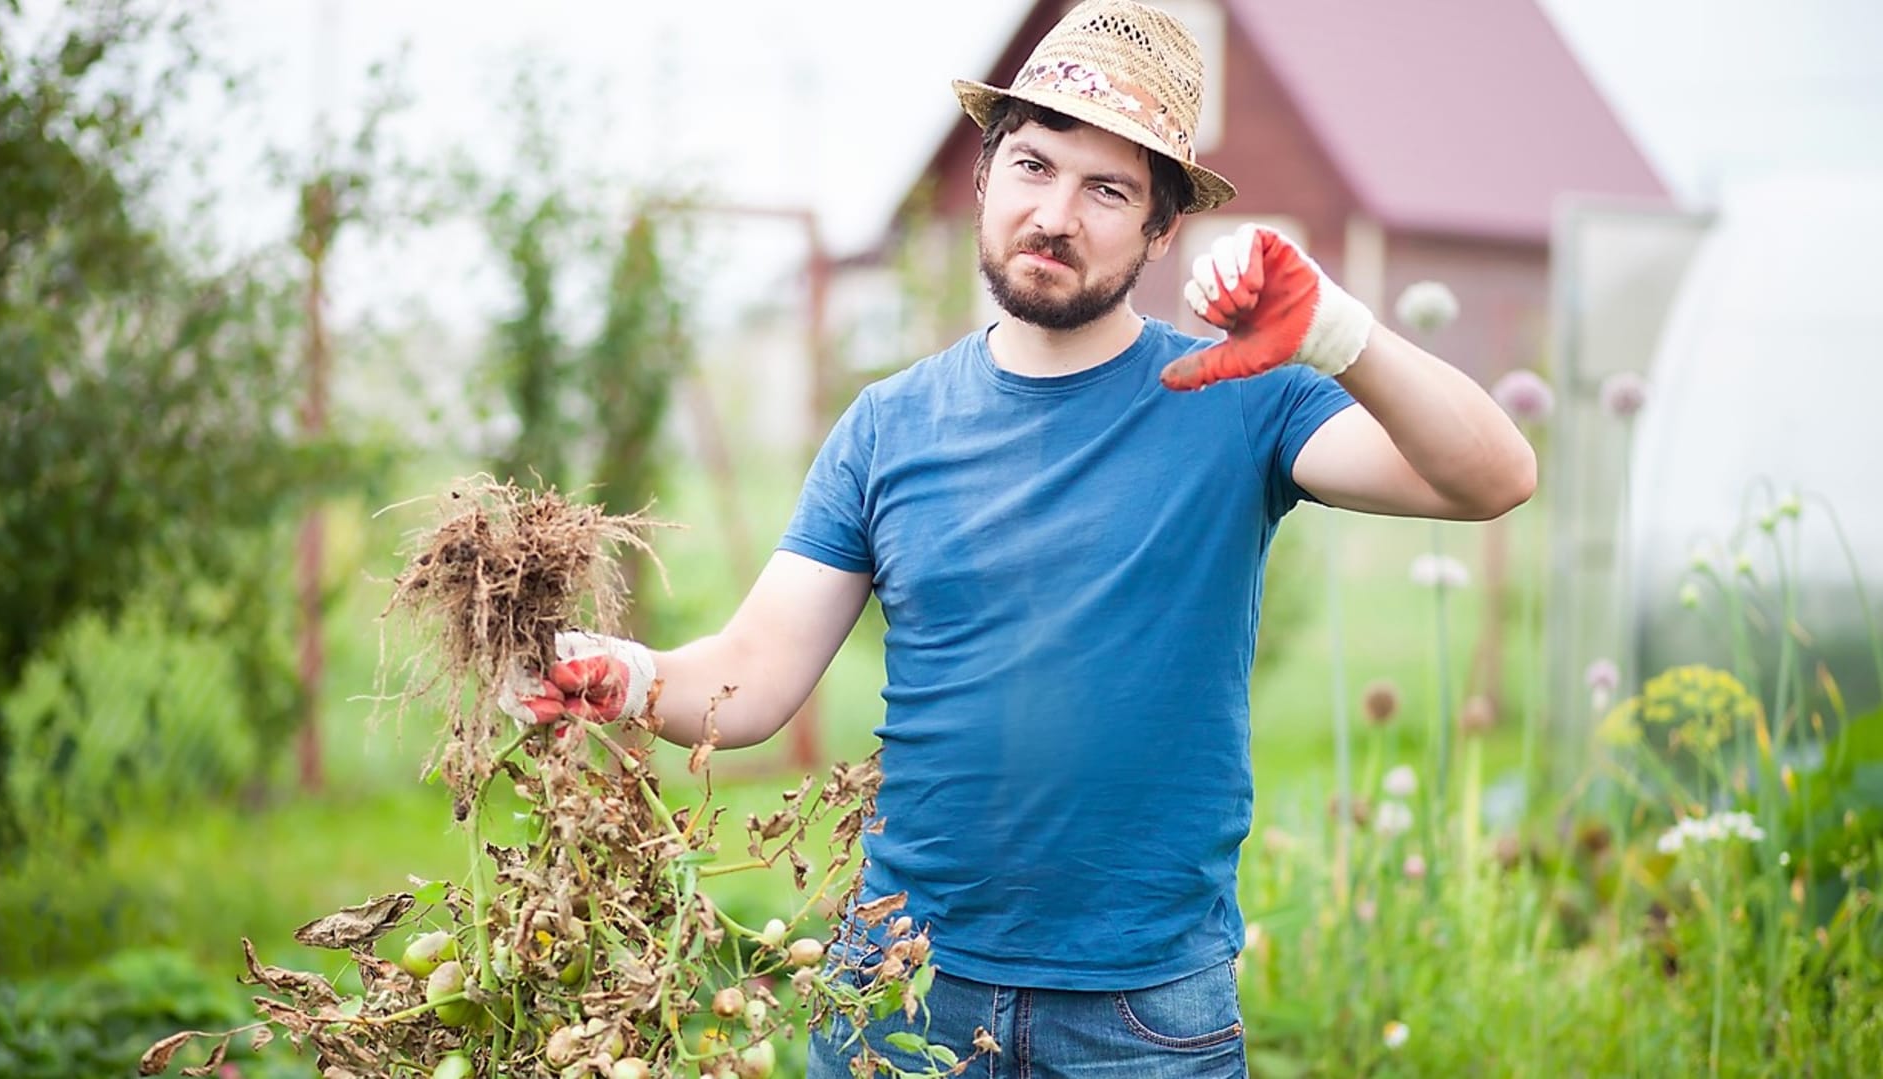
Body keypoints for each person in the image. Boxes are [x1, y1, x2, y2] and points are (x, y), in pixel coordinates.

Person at [509, 1, 1536, 1074]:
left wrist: (1339, 335)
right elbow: (753, 677)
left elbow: (1493, 476)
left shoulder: (1240, 398)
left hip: (1142, 1011)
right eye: (1034, 167)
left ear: (1159, 227)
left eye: (1107, 190)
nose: (1057, 213)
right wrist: (626, 675)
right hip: (899, 989)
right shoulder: (887, 426)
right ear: (989, 172)